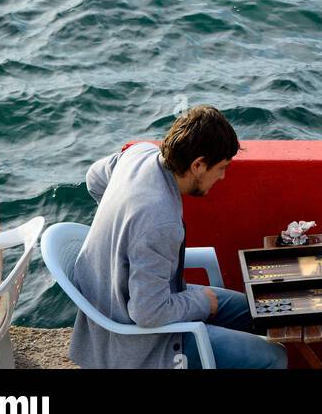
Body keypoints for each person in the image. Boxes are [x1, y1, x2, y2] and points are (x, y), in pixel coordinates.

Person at [69, 106, 287, 370]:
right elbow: (148, 313)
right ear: (198, 165)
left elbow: (94, 177)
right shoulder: (159, 221)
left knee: (254, 310)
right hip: (140, 344)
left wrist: (124, 231)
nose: (223, 177)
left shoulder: (139, 154)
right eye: (221, 168)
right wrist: (201, 303)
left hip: (122, 304)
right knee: (274, 358)